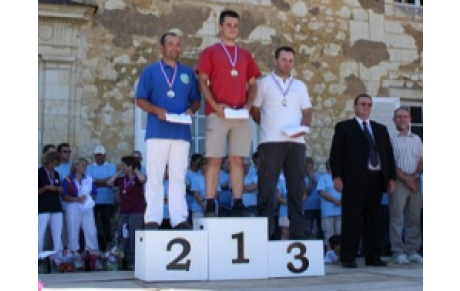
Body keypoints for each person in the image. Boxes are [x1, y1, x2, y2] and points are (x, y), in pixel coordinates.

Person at [196, 9, 261, 217]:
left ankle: (238, 202)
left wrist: (248, 106)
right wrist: (215, 106)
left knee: (238, 160)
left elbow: (252, 84)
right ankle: (210, 201)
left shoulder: (245, 55)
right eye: (228, 25)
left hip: (240, 115)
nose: (232, 29)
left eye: (235, 25)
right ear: (220, 27)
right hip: (218, 113)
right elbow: (202, 82)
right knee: (214, 159)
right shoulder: (210, 52)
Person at [136, 32, 201, 230]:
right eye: (171, 44)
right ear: (161, 48)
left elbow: (196, 99)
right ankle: (152, 219)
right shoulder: (151, 71)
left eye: (178, 44)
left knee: (178, 177)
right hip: (157, 131)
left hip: (181, 133)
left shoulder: (188, 73)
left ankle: (179, 218)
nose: (175, 48)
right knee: (155, 177)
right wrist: (156, 110)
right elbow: (140, 100)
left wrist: (192, 109)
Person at [329, 93, 397, 268]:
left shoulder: (380, 129)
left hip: (376, 180)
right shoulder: (344, 128)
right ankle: (348, 257)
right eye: (363, 104)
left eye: (369, 104)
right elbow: (336, 154)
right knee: (351, 219)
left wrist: (391, 178)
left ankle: (373, 256)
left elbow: (388, 155)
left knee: (374, 220)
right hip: (353, 181)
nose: (366, 107)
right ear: (355, 107)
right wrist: (337, 176)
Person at [251, 46, 312, 239]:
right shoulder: (264, 83)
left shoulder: (300, 86)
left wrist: (303, 128)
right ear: (275, 60)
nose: (287, 64)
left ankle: (299, 231)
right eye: (283, 59)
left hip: (296, 142)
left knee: (296, 187)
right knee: (267, 186)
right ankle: (264, 232)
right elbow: (254, 109)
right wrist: (266, 125)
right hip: (271, 141)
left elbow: (308, 111)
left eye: (290, 60)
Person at [389, 107, 423, 264]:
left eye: (405, 116)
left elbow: (422, 159)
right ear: (394, 120)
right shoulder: (390, 139)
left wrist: (415, 177)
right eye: (399, 117)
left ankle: (412, 250)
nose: (402, 119)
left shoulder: (417, 139)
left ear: (410, 119)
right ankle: (398, 251)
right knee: (397, 217)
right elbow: (390, 163)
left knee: (414, 217)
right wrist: (406, 179)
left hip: (415, 182)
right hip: (399, 182)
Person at [107, 156, 147, 269]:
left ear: (130, 166)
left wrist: (135, 170)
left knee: (134, 235)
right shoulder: (121, 179)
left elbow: (143, 179)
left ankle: (134, 260)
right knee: (122, 234)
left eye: (124, 165)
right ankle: (125, 259)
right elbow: (109, 183)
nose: (122, 167)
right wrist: (118, 172)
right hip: (124, 211)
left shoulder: (137, 179)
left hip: (136, 211)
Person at [62, 157, 99, 252]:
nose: (85, 167)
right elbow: (64, 196)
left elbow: (94, 193)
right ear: (76, 166)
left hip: (87, 207)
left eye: (85, 165)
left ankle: (92, 252)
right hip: (73, 206)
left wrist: (89, 200)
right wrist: (77, 199)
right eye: (83, 165)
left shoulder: (89, 179)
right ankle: (73, 252)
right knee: (72, 230)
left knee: (90, 229)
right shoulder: (68, 180)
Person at [86, 145, 117, 251]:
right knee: (92, 225)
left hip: (108, 201)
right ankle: (94, 247)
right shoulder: (90, 167)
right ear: (95, 156)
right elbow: (90, 182)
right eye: (97, 155)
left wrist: (97, 181)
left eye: (101, 155)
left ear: (105, 156)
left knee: (107, 225)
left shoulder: (112, 167)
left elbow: (111, 181)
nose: (99, 157)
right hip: (93, 202)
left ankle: (108, 246)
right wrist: (105, 182)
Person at [38, 151, 64, 255]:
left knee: (57, 233)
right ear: (47, 161)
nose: (53, 166)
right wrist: (47, 188)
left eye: (55, 164)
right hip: (43, 207)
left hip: (56, 206)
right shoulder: (38, 173)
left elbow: (58, 186)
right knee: (40, 233)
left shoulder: (56, 173)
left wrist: (59, 189)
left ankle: (58, 256)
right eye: (52, 163)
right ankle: (37, 256)